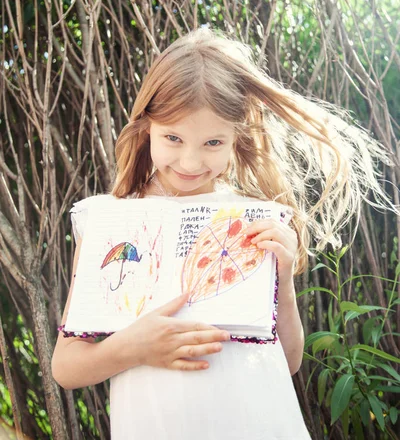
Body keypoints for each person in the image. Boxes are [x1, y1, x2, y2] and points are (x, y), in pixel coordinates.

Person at [52, 28, 393, 439]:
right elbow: (66, 366)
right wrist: (135, 347)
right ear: (146, 128)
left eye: (213, 142)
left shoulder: (252, 220)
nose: (190, 161)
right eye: (172, 137)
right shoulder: (110, 224)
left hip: (261, 422)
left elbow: (287, 360)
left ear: (237, 138)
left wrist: (282, 277)